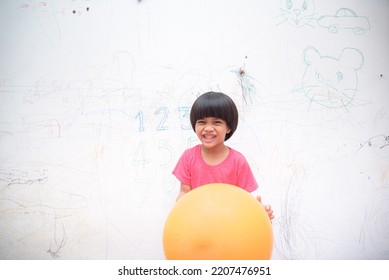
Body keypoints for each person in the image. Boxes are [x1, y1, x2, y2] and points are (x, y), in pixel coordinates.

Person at [172, 91, 274, 220]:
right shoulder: (188, 157)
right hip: (197, 224)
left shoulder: (238, 161)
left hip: (228, 225)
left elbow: (244, 200)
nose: (208, 128)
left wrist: (259, 211)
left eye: (217, 122)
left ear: (229, 127)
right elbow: (185, 192)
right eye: (202, 122)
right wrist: (180, 212)